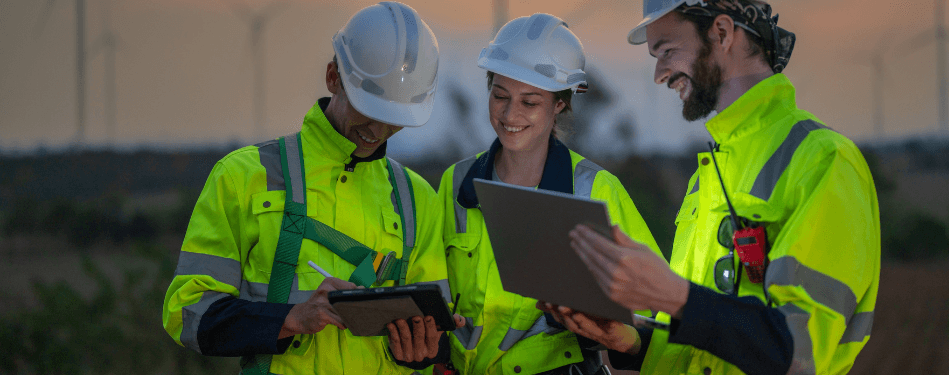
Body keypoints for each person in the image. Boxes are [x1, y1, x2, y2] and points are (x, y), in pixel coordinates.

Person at [540, 1, 881, 374]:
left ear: (721, 32)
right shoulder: (707, 176)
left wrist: (673, 294)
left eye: (667, 51)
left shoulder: (824, 161)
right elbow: (702, 338)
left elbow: (800, 351)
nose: (659, 74)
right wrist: (632, 339)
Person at [162, 2, 462, 374]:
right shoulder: (243, 176)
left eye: (393, 121)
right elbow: (186, 313)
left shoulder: (418, 199)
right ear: (333, 77)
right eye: (367, 110)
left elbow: (438, 332)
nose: (377, 132)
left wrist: (423, 349)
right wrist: (292, 319)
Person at [434, 13, 664, 375]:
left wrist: (608, 328)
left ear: (559, 104)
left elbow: (654, 305)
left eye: (530, 102)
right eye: (500, 96)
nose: (510, 114)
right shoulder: (457, 182)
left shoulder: (596, 189)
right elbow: (433, 291)